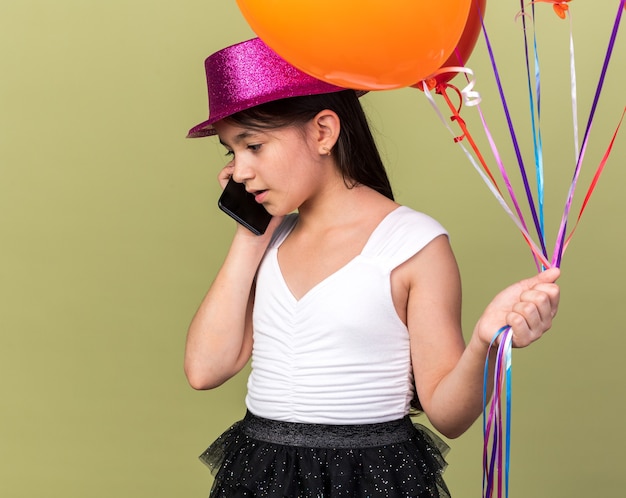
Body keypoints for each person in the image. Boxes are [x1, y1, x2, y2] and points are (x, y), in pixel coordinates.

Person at [184, 37, 560, 498]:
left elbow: (448, 414)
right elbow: (204, 370)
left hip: (369, 476)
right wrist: (251, 233)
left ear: (323, 132)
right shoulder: (271, 240)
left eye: (254, 146)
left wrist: (485, 340)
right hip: (262, 471)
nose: (239, 171)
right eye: (230, 152)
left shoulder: (412, 245)